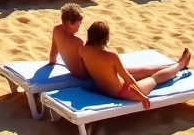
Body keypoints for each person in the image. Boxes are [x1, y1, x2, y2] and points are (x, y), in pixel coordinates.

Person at [48, 5, 178, 81]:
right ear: (70, 23)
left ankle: (168, 66)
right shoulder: (79, 41)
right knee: (129, 71)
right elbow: (91, 61)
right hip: (86, 75)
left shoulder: (56, 29)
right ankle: (168, 67)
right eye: (78, 24)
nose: (80, 26)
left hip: (77, 72)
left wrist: (54, 64)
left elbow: (53, 56)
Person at [80, 21, 191, 107]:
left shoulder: (82, 50)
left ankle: (171, 65)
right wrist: (142, 97)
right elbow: (128, 80)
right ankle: (180, 65)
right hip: (122, 92)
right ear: (105, 37)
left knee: (138, 70)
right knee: (154, 79)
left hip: (103, 89)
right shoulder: (111, 55)